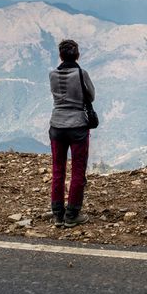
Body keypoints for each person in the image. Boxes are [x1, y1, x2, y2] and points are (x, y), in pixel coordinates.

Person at [48, 39, 95, 228]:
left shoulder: (52, 75)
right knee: (77, 170)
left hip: (57, 126)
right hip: (77, 127)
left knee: (58, 169)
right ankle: (73, 213)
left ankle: (57, 213)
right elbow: (90, 96)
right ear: (77, 55)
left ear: (60, 55)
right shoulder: (81, 74)